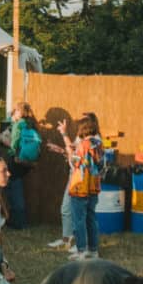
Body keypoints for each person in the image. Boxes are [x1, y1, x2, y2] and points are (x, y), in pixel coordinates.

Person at [54, 112, 105, 261]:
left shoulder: (83, 145)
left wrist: (69, 152)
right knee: (91, 218)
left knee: (79, 220)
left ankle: (82, 250)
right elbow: (101, 165)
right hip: (93, 187)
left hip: (80, 187)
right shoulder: (99, 144)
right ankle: (93, 250)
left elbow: (74, 162)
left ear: (81, 129)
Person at [5, 102, 44, 230]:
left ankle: (19, 222)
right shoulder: (31, 123)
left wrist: (10, 149)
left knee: (15, 190)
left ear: (19, 112)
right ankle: (17, 220)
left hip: (17, 159)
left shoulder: (19, 124)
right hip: (27, 161)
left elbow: (15, 140)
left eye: (15, 111)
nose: (13, 113)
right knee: (16, 186)